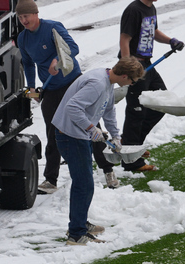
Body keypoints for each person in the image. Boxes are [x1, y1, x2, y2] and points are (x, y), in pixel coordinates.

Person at [52, 57, 144, 244]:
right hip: (70, 135)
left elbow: (108, 111)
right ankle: (76, 234)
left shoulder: (108, 82)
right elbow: (72, 107)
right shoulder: (97, 84)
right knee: (83, 183)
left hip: (79, 135)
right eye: (132, 81)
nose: (131, 85)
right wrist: (91, 128)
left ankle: (80, 223)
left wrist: (116, 136)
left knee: (85, 183)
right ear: (125, 76)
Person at [119, 0, 184, 172]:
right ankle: (131, 161)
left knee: (161, 102)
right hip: (134, 65)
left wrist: (171, 40)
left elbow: (153, 32)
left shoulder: (151, 7)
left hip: (147, 64)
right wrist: (129, 66)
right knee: (136, 110)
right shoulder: (133, 10)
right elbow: (124, 39)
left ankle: (135, 143)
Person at [15, 0, 82, 195]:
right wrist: (32, 86)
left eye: (26, 16)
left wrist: (58, 61)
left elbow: (73, 48)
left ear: (36, 14)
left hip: (73, 82)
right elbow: (27, 63)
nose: (24, 20)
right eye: (20, 17)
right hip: (51, 88)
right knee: (53, 132)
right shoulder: (23, 38)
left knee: (88, 125)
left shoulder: (52, 27)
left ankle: (106, 167)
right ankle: (50, 180)